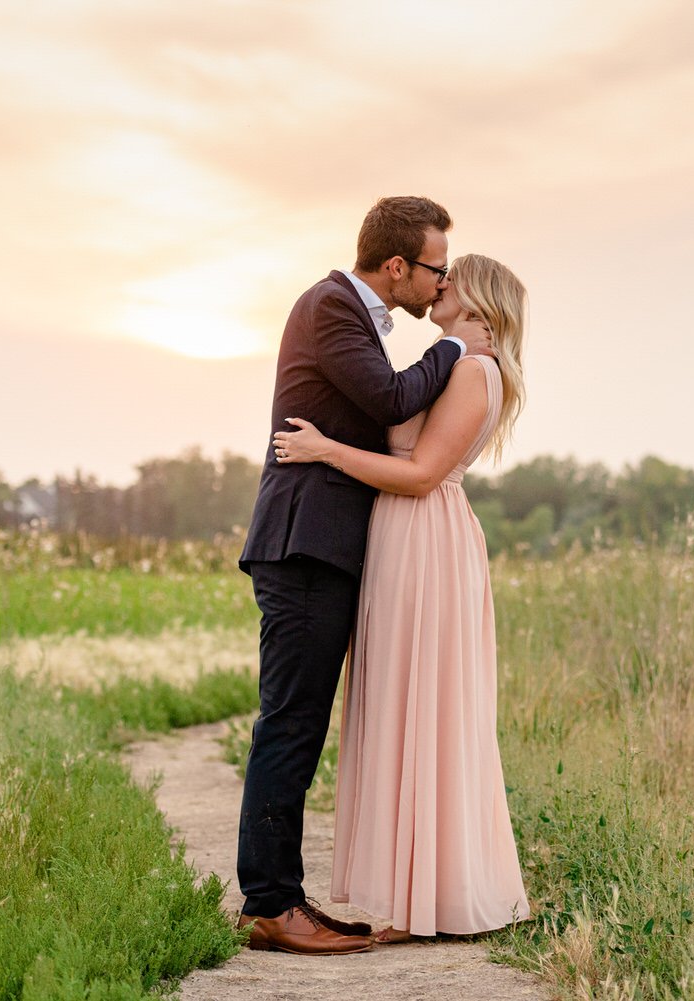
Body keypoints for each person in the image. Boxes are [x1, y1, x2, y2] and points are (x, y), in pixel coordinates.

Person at [235, 196, 494, 956]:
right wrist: (458, 348)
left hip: (325, 545)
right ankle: (271, 905)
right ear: (397, 266)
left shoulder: (351, 312)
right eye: (435, 269)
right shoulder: (330, 307)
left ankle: (281, 896)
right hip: (305, 544)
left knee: (302, 720)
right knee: (290, 719)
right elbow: (387, 398)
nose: (439, 283)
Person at [272, 253, 530, 943]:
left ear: (477, 300)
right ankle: (415, 893)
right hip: (400, 539)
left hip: (423, 538)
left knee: (424, 708)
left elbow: (419, 473)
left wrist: (326, 451)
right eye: (437, 270)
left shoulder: (475, 370)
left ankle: (431, 899)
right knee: (401, 704)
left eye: (452, 277)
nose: (439, 284)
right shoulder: (453, 363)